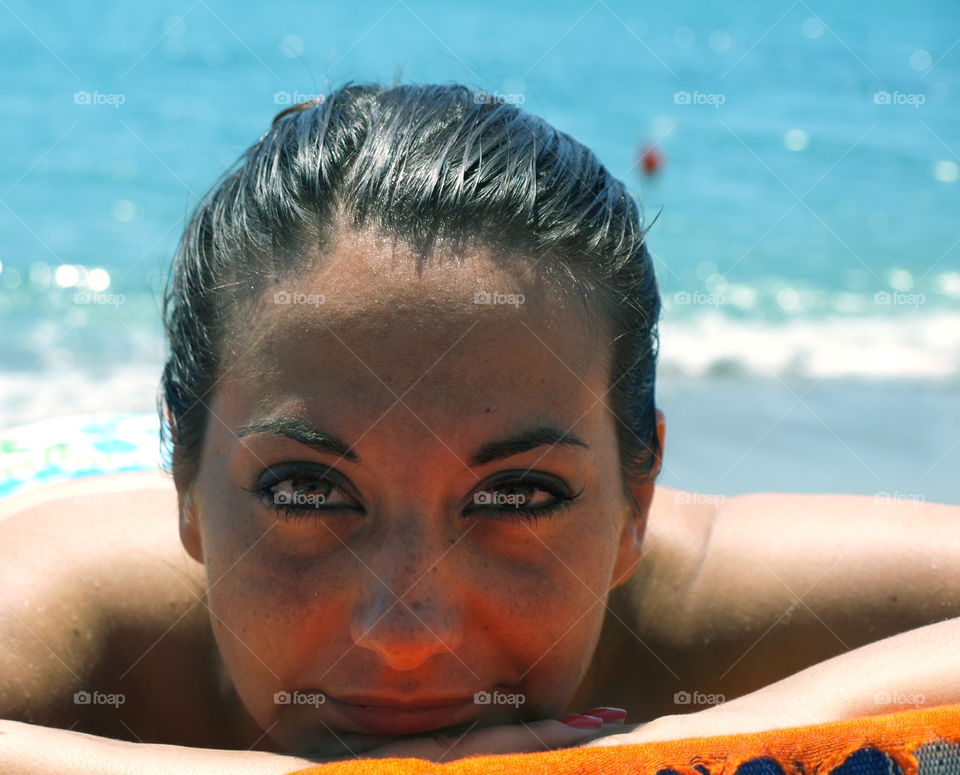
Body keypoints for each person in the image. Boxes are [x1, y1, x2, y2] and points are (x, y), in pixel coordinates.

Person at [1, 81, 958, 774]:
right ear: (186, 483)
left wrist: (689, 744)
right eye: (305, 490)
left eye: (516, 496)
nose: (406, 629)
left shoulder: (699, 600)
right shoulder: (77, 612)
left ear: (638, 498)